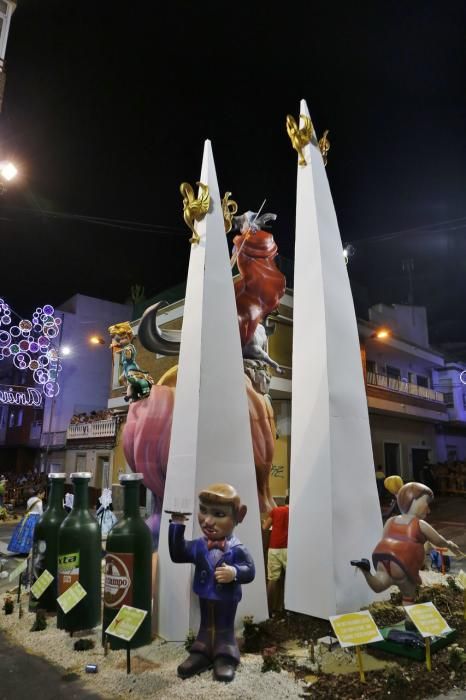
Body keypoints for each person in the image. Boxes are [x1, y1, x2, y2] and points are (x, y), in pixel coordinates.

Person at [168, 483, 255, 683]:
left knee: (224, 626)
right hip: (206, 595)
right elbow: (178, 553)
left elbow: (250, 570)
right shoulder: (199, 546)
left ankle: (225, 654)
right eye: (203, 511)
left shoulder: (238, 549)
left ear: (239, 516)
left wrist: (234, 572)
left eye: (218, 514)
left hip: (227, 598)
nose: (207, 521)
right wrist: (177, 524)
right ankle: (203, 650)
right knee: (206, 624)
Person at [350, 476, 463, 605]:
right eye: (427, 504)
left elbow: (385, 538)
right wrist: (449, 544)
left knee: (379, 585)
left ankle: (366, 571)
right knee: (408, 593)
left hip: (382, 558)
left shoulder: (391, 521)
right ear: (415, 502)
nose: (429, 510)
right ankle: (409, 621)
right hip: (402, 562)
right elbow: (439, 541)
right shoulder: (419, 524)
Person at [262, 495, 289, 614]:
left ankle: (268, 610)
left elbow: (265, 527)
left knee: (272, 579)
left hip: (274, 548)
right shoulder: (297, 512)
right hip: (290, 548)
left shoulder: (276, 511)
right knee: (290, 579)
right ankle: (288, 608)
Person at [7, 487, 45, 555]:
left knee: (23, 533)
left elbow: (28, 509)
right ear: (39, 494)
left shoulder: (30, 499)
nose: (43, 496)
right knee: (33, 534)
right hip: (35, 517)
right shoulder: (39, 501)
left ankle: (21, 549)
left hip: (27, 517)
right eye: (43, 494)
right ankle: (32, 550)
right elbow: (41, 512)